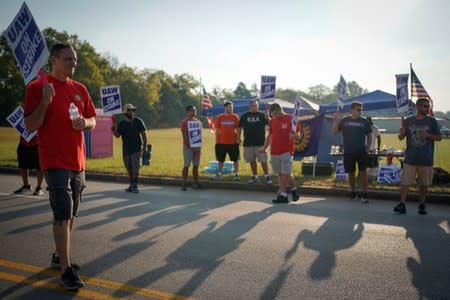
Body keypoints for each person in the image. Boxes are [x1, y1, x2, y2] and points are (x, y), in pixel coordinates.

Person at [24, 43, 97, 290]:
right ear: (54, 60)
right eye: (68, 59)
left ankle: (58, 254)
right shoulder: (37, 87)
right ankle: (65, 270)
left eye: (74, 60)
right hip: (54, 160)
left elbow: (93, 120)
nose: (73, 63)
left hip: (78, 161)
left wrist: (85, 123)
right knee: (62, 212)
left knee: (72, 213)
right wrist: (45, 102)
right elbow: (31, 126)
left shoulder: (80, 89)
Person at [393, 98, 441, 215]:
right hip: (410, 158)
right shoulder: (408, 121)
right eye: (425, 106)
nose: (427, 108)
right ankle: (402, 204)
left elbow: (439, 137)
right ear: (418, 107)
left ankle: (422, 205)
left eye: (428, 106)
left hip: (426, 158)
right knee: (405, 182)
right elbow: (401, 137)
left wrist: (427, 134)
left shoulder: (432, 121)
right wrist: (402, 132)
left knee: (423, 184)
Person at [333, 101, 372, 203]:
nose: (360, 112)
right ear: (352, 110)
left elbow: (369, 135)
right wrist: (335, 121)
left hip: (361, 151)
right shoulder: (345, 121)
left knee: (363, 172)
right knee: (351, 173)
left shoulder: (364, 122)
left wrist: (367, 148)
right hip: (349, 152)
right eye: (358, 110)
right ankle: (353, 192)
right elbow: (335, 132)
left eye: (361, 110)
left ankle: (365, 193)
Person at [263, 103, 300, 203]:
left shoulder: (291, 119)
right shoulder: (273, 121)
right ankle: (283, 195)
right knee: (280, 174)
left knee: (286, 173)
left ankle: (294, 189)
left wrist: (294, 136)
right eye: (273, 114)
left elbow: (298, 135)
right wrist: (264, 148)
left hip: (287, 150)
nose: (274, 116)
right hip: (274, 151)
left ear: (280, 110)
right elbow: (270, 136)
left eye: (276, 113)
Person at [112, 103, 148, 193]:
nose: (131, 112)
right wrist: (113, 130)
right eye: (129, 110)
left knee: (136, 168)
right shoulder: (121, 124)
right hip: (126, 150)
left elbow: (144, 133)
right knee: (129, 169)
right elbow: (117, 135)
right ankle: (131, 184)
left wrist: (145, 146)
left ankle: (135, 185)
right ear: (125, 112)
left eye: (132, 110)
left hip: (137, 149)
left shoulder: (138, 121)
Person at [237, 100, 272, 184]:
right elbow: (239, 127)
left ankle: (267, 176)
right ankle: (255, 176)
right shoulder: (244, 116)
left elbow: (272, 125)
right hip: (248, 143)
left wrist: (268, 118)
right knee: (251, 160)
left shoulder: (262, 115)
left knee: (263, 160)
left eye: (256, 105)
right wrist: (238, 137)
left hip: (260, 143)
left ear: (258, 106)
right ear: (249, 107)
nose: (254, 107)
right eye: (253, 105)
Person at [213, 101, 240, 180]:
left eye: (232, 107)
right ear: (225, 108)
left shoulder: (235, 117)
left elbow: (238, 129)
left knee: (235, 160)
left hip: (233, 142)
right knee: (220, 160)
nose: (231, 108)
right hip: (221, 142)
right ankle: (219, 174)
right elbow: (217, 129)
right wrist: (217, 141)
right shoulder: (220, 117)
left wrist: (238, 138)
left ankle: (236, 174)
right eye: (229, 107)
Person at [180, 105, 203, 190]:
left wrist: (198, 146)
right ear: (187, 112)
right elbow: (185, 135)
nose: (193, 112)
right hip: (188, 147)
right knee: (186, 165)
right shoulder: (184, 122)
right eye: (191, 110)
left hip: (197, 148)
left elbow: (199, 135)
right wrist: (190, 146)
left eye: (194, 110)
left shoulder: (198, 122)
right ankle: (184, 183)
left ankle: (196, 183)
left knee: (196, 166)